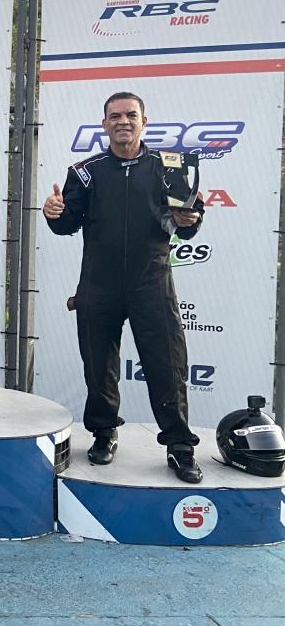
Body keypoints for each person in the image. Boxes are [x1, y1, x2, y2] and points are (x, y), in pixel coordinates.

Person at [43, 91, 204, 483]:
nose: (123, 122)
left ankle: (180, 446)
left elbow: (187, 223)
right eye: (115, 116)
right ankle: (103, 433)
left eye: (131, 115)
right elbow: (66, 224)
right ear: (104, 124)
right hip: (99, 284)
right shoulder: (85, 171)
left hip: (152, 282)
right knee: (99, 365)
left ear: (144, 122)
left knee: (167, 365)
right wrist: (54, 213)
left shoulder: (169, 167)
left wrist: (192, 220)